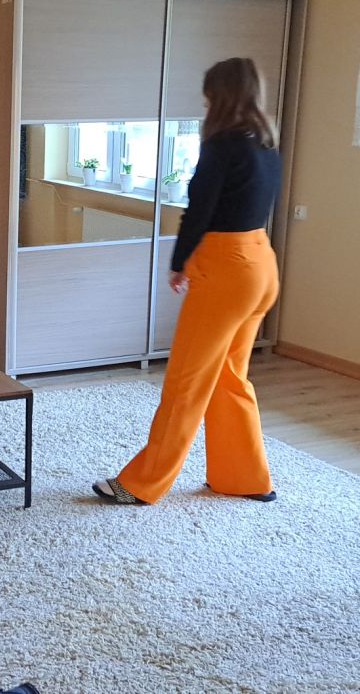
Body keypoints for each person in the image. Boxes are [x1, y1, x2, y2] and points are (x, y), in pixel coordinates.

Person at [92, 57, 282, 506]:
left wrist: (180, 263)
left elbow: (200, 209)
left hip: (227, 269)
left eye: (209, 96)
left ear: (219, 96)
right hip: (261, 263)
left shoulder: (222, 145)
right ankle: (244, 477)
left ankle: (141, 484)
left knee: (186, 381)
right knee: (230, 377)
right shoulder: (266, 145)